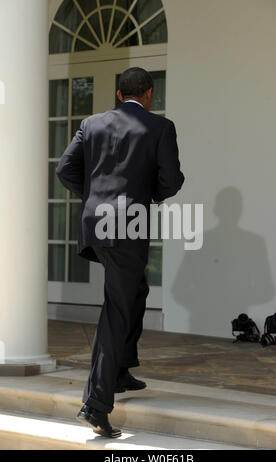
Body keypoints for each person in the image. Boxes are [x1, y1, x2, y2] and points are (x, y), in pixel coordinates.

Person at [55, 67, 185, 438]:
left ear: (118, 94)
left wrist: (97, 198)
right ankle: (95, 404)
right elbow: (171, 180)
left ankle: (122, 368)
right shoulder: (160, 127)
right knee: (117, 308)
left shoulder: (91, 123)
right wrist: (146, 198)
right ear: (149, 94)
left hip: (97, 223)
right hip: (128, 224)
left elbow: (66, 169)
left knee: (134, 291)